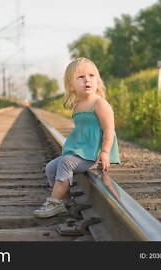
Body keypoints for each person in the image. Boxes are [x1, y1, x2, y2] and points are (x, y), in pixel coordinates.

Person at [34, 57, 121, 218]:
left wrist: (105, 152)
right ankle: (64, 202)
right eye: (80, 77)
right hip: (78, 151)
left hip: (91, 153)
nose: (87, 80)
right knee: (51, 168)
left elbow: (109, 130)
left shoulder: (100, 104)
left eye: (91, 76)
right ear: (71, 85)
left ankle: (53, 201)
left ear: (98, 80)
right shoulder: (77, 107)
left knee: (66, 163)